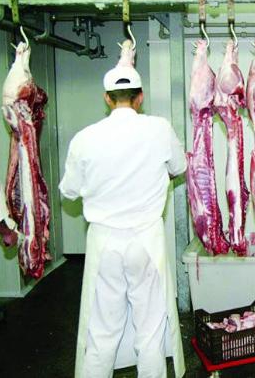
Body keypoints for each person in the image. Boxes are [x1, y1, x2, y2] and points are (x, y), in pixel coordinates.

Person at [59, 42, 186, 378]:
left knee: (102, 332)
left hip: (105, 244)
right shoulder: (158, 128)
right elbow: (179, 166)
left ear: (107, 98)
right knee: (150, 329)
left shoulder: (85, 138)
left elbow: (68, 190)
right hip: (146, 241)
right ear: (140, 97)